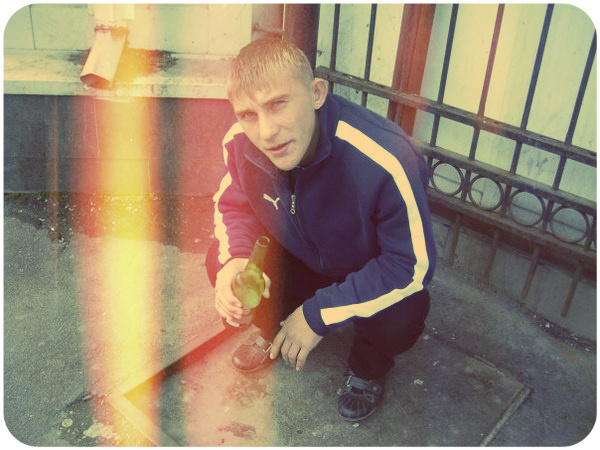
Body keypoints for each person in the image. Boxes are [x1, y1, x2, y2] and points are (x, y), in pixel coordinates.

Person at [205, 38, 436, 422]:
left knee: (403, 313)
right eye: (248, 114)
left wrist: (317, 314)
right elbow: (234, 207)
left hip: (365, 268)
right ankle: (271, 329)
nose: (266, 132)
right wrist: (236, 262)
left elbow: (410, 265)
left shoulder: (386, 156)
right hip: (300, 255)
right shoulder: (240, 142)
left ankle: (367, 368)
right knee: (221, 260)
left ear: (316, 93)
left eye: (278, 104)